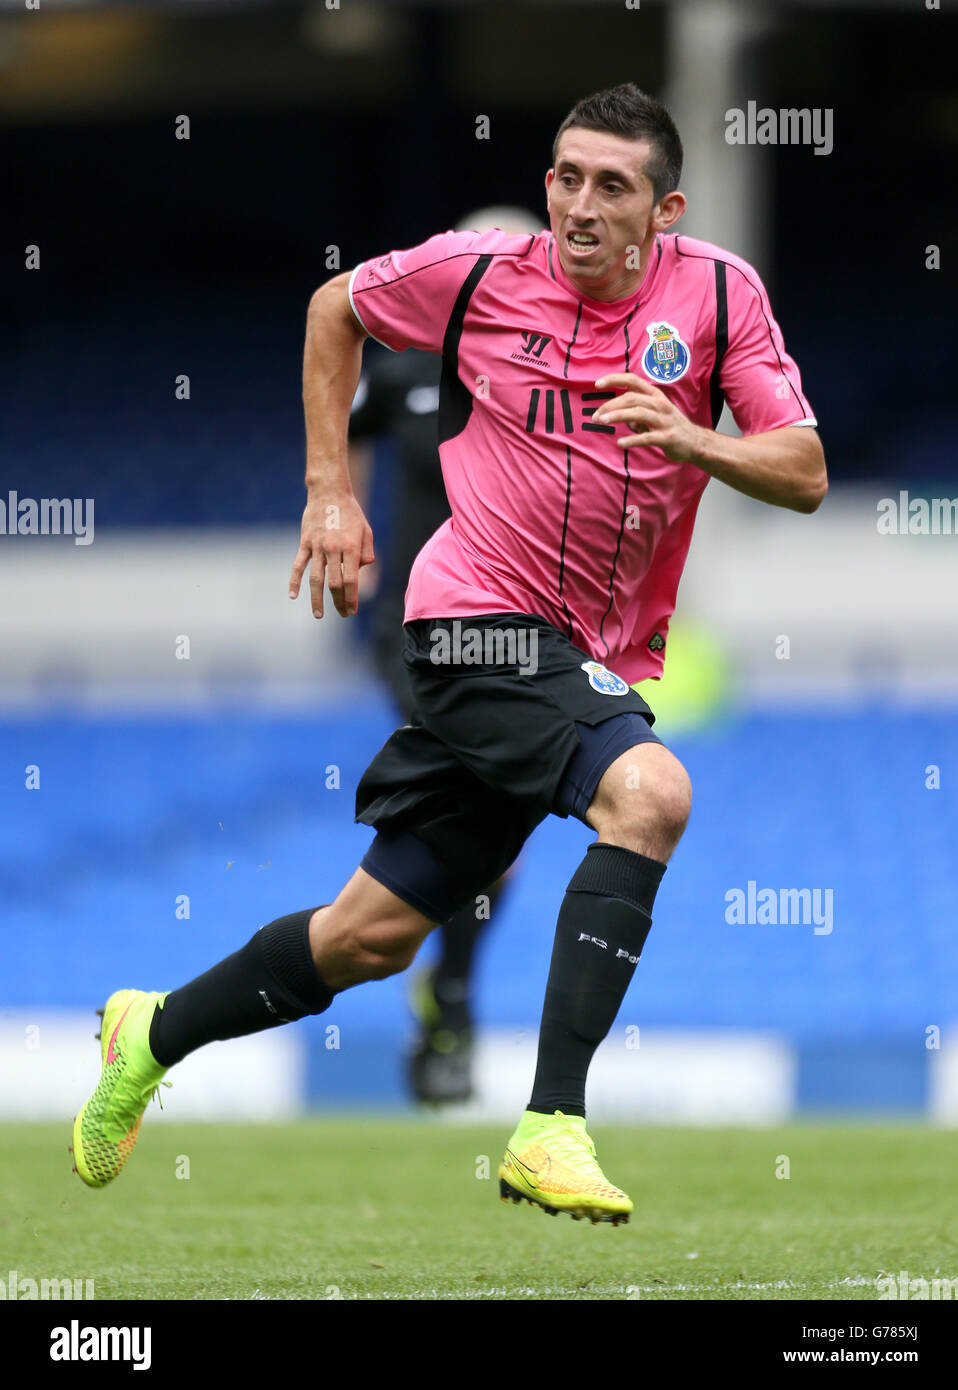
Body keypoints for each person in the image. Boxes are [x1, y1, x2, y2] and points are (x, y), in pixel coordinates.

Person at [71, 83, 825, 1225]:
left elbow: (804, 468)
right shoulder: (476, 275)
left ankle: (151, 1030)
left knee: (365, 940)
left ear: (661, 210)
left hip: (571, 649)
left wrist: (693, 436)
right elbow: (336, 308)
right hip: (465, 620)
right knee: (651, 793)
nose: (577, 204)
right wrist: (329, 493)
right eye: (564, 175)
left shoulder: (720, 295)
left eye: (609, 185)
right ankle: (550, 1125)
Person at [347, 206, 544, 1105]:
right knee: (483, 824)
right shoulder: (400, 369)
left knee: (492, 846)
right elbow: (345, 426)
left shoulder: (556, 374)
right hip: (420, 634)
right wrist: (337, 510)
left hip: (519, 636)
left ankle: (446, 995)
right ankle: (452, 1004)